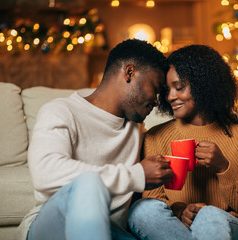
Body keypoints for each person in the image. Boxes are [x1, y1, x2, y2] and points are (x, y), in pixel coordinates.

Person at [17, 39, 174, 240]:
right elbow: (45, 172)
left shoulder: (135, 127)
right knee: (88, 183)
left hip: (109, 232)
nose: (156, 101)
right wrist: (136, 176)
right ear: (129, 72)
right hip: (53, 226)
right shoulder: (61, 111)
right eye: (156, 88)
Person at [128, 45, 238, 240]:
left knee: (209, 216)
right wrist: (181, 212)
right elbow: (155, 202)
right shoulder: (155, 137)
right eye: (167, 89)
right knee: (142, 210)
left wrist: (223, 168)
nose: (170, 97)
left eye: (179, 87)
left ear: (204, 84)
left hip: (236, 229)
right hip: (180, 230)